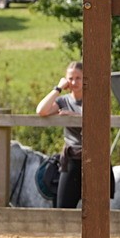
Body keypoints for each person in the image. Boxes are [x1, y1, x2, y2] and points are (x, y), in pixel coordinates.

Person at [37, 61, 84, 208]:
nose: (74, 82)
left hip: (93, 158)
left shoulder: (94, 100)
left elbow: (98, 118)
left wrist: (72, 115)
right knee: (62, 206)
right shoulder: (63, 100)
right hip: (71, 158)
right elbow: (41, 111)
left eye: (78, 78)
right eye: (71, 78)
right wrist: (58, 88)